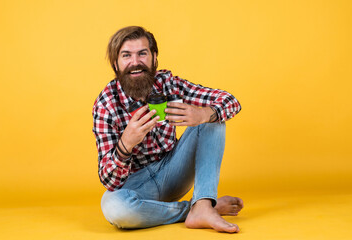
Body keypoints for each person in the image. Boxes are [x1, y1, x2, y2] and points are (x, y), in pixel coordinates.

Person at [92, 26, 243, 233]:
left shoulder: (168, 83)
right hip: (137, 186)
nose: (135, 62)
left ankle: (203, 206)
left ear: (154, 58)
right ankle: (199, 208)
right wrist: (125, 144)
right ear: (115, 64)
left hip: (173, 172)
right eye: (126, 55)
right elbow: (109, 180)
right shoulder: (106, 104)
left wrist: (202, 114)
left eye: (142, 53)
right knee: (114, 207)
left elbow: (230, 101)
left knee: (214, 120)